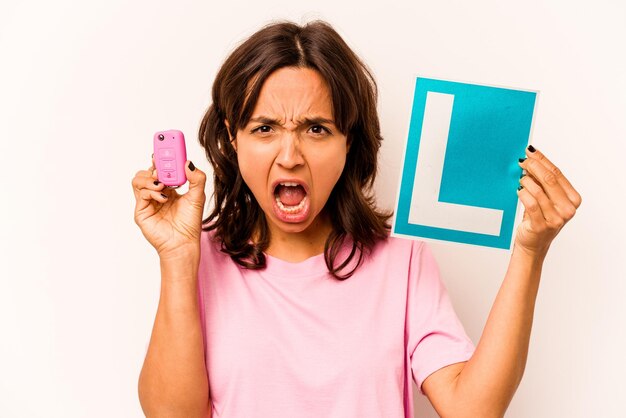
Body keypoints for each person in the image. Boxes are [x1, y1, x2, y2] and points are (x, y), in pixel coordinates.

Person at [131, 20, 581, 418]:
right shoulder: (198, 258)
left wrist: (529, 250)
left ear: (349, 142)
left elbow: (473, 410)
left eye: (316, 129)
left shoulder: (402, 262)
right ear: (233, 138)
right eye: (265, 128)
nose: (290, 156)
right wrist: (176, 257)